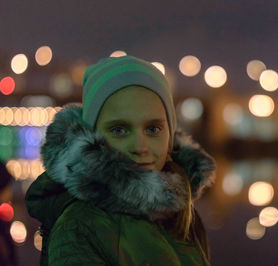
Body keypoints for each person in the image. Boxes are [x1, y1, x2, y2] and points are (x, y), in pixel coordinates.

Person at [25, 55, 216, 265]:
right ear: (93, 135)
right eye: (119, 130)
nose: (140, 147)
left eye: (153, 129)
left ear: (170, 136)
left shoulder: (183, 213)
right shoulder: (79, 227)